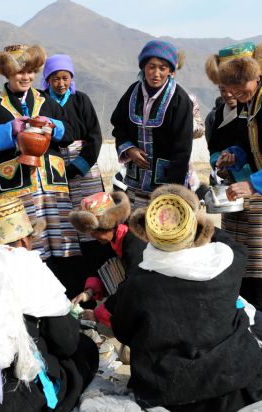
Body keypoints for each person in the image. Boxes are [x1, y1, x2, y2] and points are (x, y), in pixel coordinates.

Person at [110, 184, 262, 412]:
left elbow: (122, 331)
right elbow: (231, 244)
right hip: (236, 382)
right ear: (198, 228)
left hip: (171, 391)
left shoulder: (137, 286)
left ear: (149, 234)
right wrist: (199, 220)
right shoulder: (229, 263)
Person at [0, 197, 98, 411]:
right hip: (20, 396)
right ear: (25, 240)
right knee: (85, 350)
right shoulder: (31, 268)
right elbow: (65, 342)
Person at [0, 44, 76, 266]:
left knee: (63, 249)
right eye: (20, 72)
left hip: (52, 189)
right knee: (25, 250)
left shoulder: (47, 101)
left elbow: (72, 132)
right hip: (16, 189)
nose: (26, 77)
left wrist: (53, 126)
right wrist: (9, 130)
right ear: (7, 74)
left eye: (30, 72)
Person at [40, 54, 108, 298]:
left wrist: (76, 167)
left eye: (65, 78)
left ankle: (98, 289)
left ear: (71, 78)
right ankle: (69, 289)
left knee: (92, 223)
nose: (60, 83)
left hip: (85, 169)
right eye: (55, 78)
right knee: (64, 228)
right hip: (53, 171)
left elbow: (95, 137)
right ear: (47, 80)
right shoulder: (42, 102)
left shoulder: (82, 100)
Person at [205, 41, 262, 309]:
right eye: (231, 92)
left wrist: (253, 183)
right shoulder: (252, 102)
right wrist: (235, 155)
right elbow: (252, 147)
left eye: (241, 90)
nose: (238, 97)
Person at [111, 39, 193, 209]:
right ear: (143, 67)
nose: (156, 73)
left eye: (162, 68)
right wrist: (129, 149)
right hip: (135, 183)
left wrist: (172, 192)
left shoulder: (179, 99)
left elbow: (182, 149)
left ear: (171, 70)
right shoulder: (132, 93)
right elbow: (119, 125)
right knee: (136, 230)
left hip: (167, 183)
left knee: (163, 231)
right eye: (151, 66)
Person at [69, 191, 146, 326]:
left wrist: (99, 313)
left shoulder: (134, 243)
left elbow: (132, 286)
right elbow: (102, 266)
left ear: (109, 225)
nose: (92, 235)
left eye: (96, 230)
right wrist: (88, 292)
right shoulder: (110, 240)